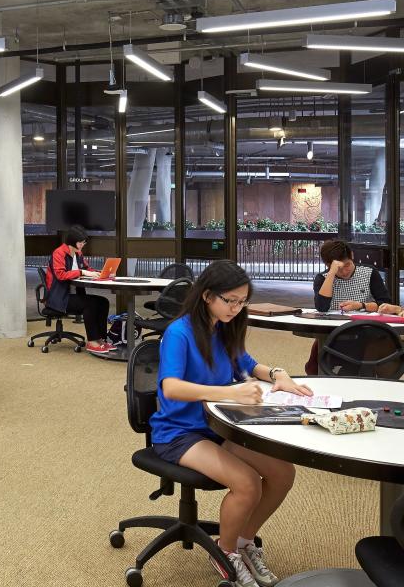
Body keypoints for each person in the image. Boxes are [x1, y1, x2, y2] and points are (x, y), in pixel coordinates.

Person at [150, 260, 312, 587]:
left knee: (283, 473)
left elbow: (249, 364)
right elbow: (171, 387)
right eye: (230, 301)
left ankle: (243, 542)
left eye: (242, 302)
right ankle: (225, 554)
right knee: (247, 483)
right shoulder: (179, 332)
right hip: (178, 433)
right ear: (207, 295)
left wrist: (280, 375)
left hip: (218, 426)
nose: (236, 309)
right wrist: (230, 392)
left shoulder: (222, 328)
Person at [305, 239, 392, 374]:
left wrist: (361, 305)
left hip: (364, 332)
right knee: (316, 365)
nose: (345, 272)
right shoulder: (323, 278)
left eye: (347, 265)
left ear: (352, 255)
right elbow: (321, 307)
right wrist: (332, 274)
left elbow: (386, 303)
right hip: (332, 333)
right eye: (339, 268)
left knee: (361, 364)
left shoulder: (369, 273)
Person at [44, 225, 112, 355]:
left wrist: (102, 273)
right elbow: (60, 275)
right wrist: (82, 272)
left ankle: (100, 339)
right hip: (58, 298)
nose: (82, 245)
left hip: (73, 295)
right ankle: (92, 342)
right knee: (90, 304)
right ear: (72, 241)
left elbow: (88, 269)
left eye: (84, 242)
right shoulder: (59, 253)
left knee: (103, 302)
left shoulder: (78, 254)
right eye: (80, 242)